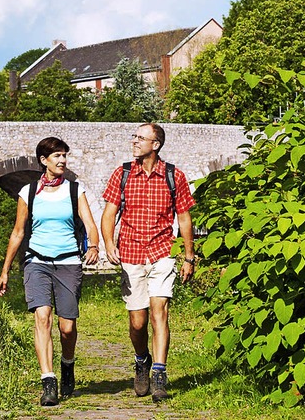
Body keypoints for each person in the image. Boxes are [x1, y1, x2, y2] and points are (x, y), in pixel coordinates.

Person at [0, 137, 100, 407]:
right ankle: (48, 381)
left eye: (65, 155)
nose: (63, 160)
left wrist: (95, 245)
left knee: (67, 328)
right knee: (42, 317)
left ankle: (67, 363)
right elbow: (18, 232)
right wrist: (5, 270)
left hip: (68, 262)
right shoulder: (28, 193)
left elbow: (90, 224)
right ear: (44, 160)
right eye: (57, 156)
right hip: (36, 262)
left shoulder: (75, 191)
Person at [101, 123, 195, 403]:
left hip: (162, 251)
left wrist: (189, 256)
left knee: (159, 312)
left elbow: (185, 218)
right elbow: (109, 213)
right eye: (134, 136)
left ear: (156, 144)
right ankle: (142, 359)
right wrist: (109, 243)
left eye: (141, 138)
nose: (135, 141)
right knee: (138, 322)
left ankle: (159, 373)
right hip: (130, 252)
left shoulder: (173, 175)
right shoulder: (123, 173)